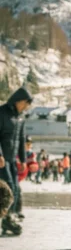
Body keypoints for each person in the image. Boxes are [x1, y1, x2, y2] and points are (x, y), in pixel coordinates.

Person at [0, 87, 33, 235]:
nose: (26, 107)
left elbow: (21, 139)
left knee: (15, 189)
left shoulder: (21, 118)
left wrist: (23, 159)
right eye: (25, 103)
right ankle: (7, 218)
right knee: (9, 187)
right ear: (18, 101)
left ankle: (9, 217)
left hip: (12, 159)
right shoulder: (2, 113)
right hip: (2, 158)